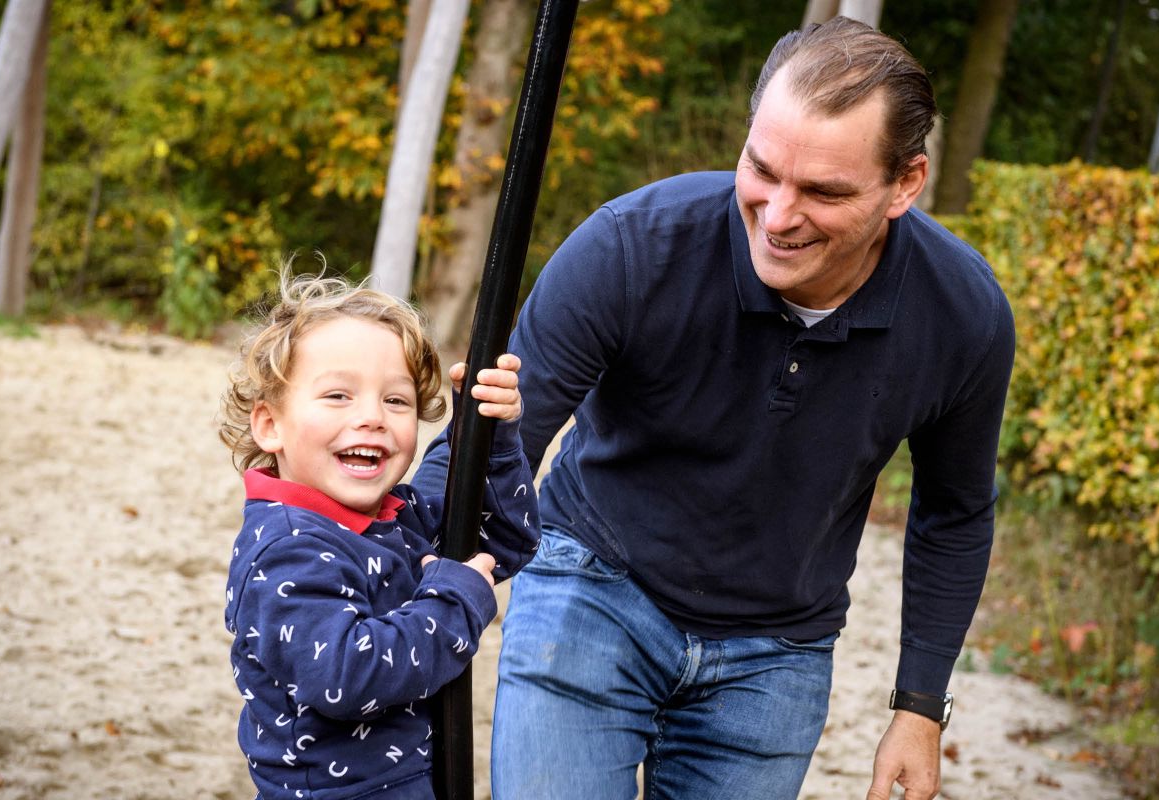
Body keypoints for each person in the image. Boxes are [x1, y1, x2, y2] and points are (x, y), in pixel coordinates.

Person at [420, 17, 1015, 800]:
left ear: (904, 183)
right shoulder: (632, 248)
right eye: (761, 169)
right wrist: (381, 570)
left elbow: (954, 513)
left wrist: (918, 707)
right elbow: (493, 444)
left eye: (823, 191)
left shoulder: (962, 316)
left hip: (778, 654)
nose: (775, 215)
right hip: (593, 585)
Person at [218, 272, 539, 799]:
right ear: (269, 424)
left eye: (396, 401)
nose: (371, 417)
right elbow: (348, 675)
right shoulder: (286, 550)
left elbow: (506, 539)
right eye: (339, 395)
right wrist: (454, 602)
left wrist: (493, 439)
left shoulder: (395, 518)